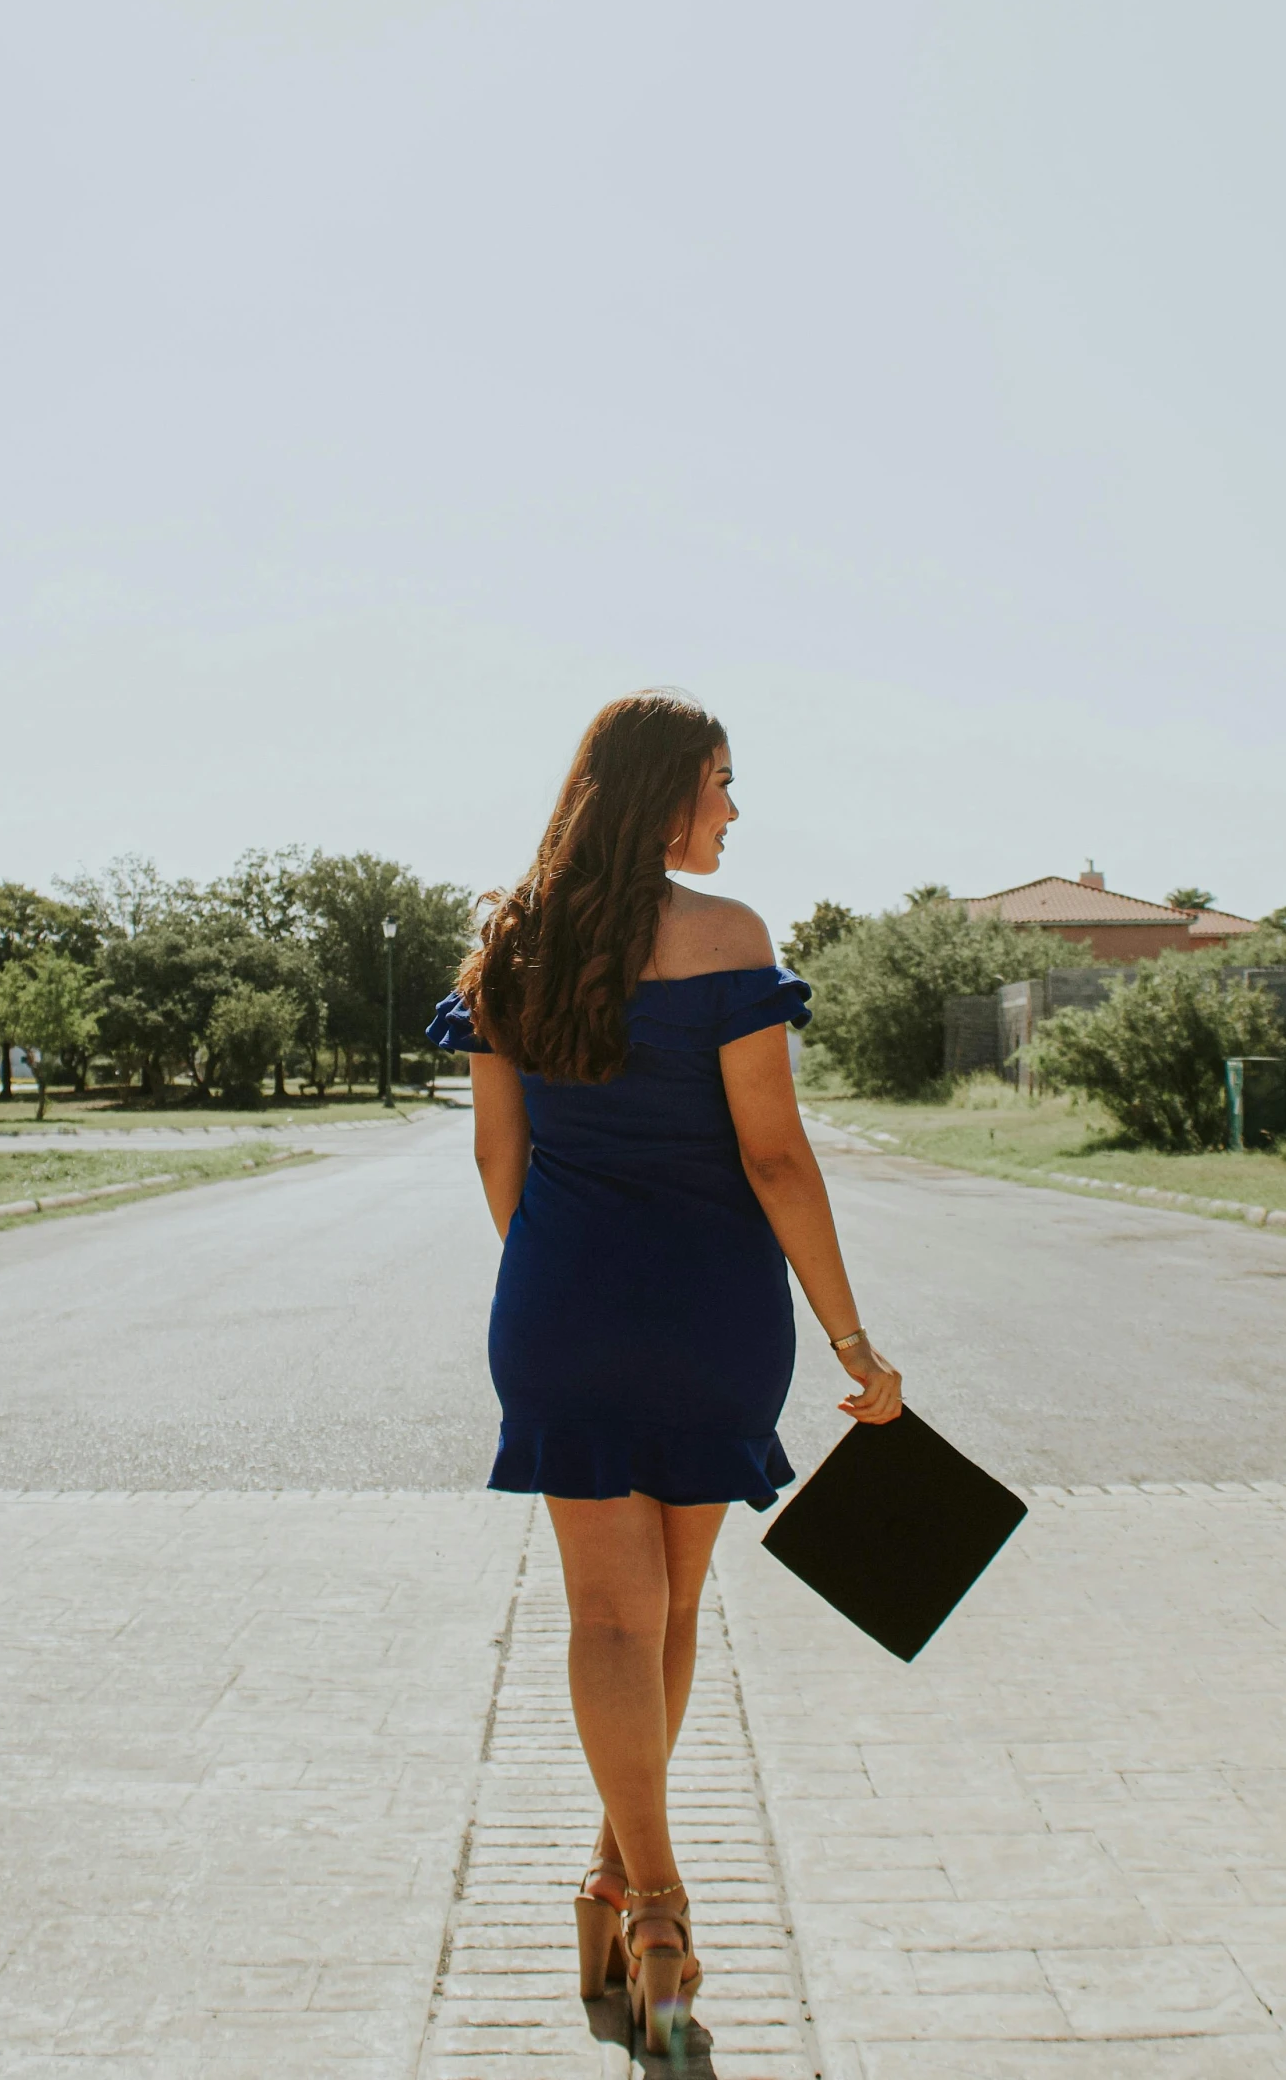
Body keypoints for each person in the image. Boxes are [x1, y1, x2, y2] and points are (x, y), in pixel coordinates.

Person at [427, 689, 902, 2054]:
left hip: (562, 1306)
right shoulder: (727, 940)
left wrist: (568, 1276)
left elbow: (494, 1162)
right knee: (675, 1605)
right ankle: (660, 1910)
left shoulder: (507, 941)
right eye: (719, 782)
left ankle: (623, 1889)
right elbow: (773, 1157)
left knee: (608, 1616)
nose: (733, 811)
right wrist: (852, 1343)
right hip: (714, 1313)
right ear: (658, 793)